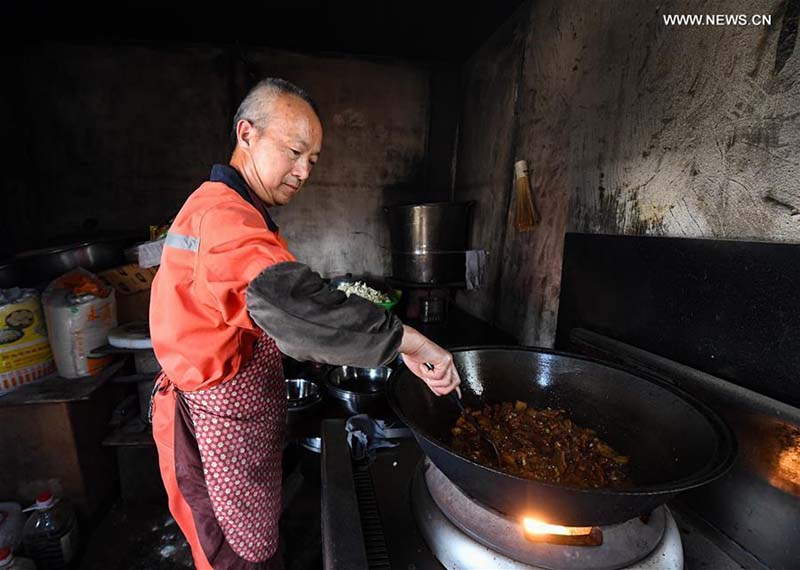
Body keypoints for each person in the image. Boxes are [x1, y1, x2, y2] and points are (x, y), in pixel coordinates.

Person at [148, 78, 461, 570]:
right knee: (239, 558)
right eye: (294, 152)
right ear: (246, 134)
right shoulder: (225, 218)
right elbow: (296, 309)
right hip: (214, 433)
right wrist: (408, 341)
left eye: (312, 161)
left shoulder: (229, 208)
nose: (302, 172)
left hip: (237, 426)